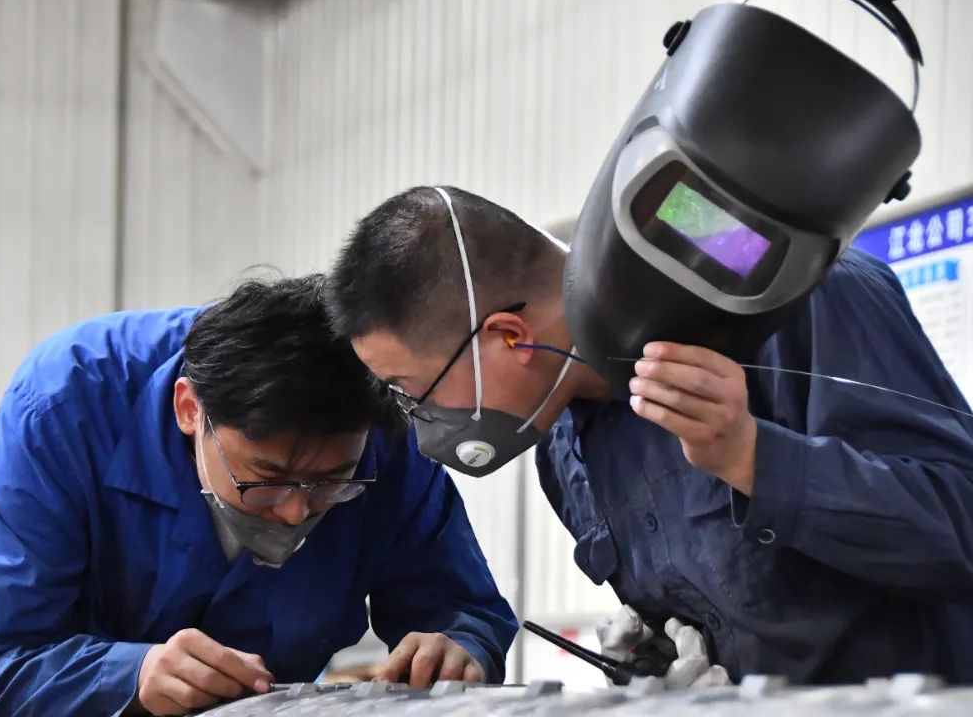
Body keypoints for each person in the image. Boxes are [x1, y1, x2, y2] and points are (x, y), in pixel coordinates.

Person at [327, 185, 973, 684]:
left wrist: (753, 457)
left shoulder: (796, 299)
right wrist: (656, 662)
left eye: (412, 389)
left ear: (509, 338)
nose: (418, 417)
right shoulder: (563, 446)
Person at [0, 274, 517, 716]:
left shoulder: (384, 428)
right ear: (190, 410)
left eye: (332, 483)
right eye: (266, 477)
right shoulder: (64, 408)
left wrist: (459, 647)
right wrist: (129, 676)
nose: (295, 512)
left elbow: (459, 608)